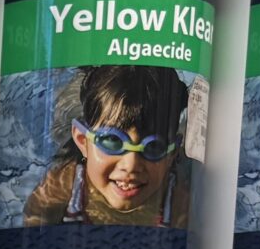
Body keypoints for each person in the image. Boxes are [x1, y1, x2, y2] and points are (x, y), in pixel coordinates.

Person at [21, 66, 191, 228]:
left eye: (153, 147)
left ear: (171, 156)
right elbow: (34, 225)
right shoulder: (62, 186)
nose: (130, 165)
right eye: (112, 141)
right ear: (82, 140)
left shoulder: (177, 201)